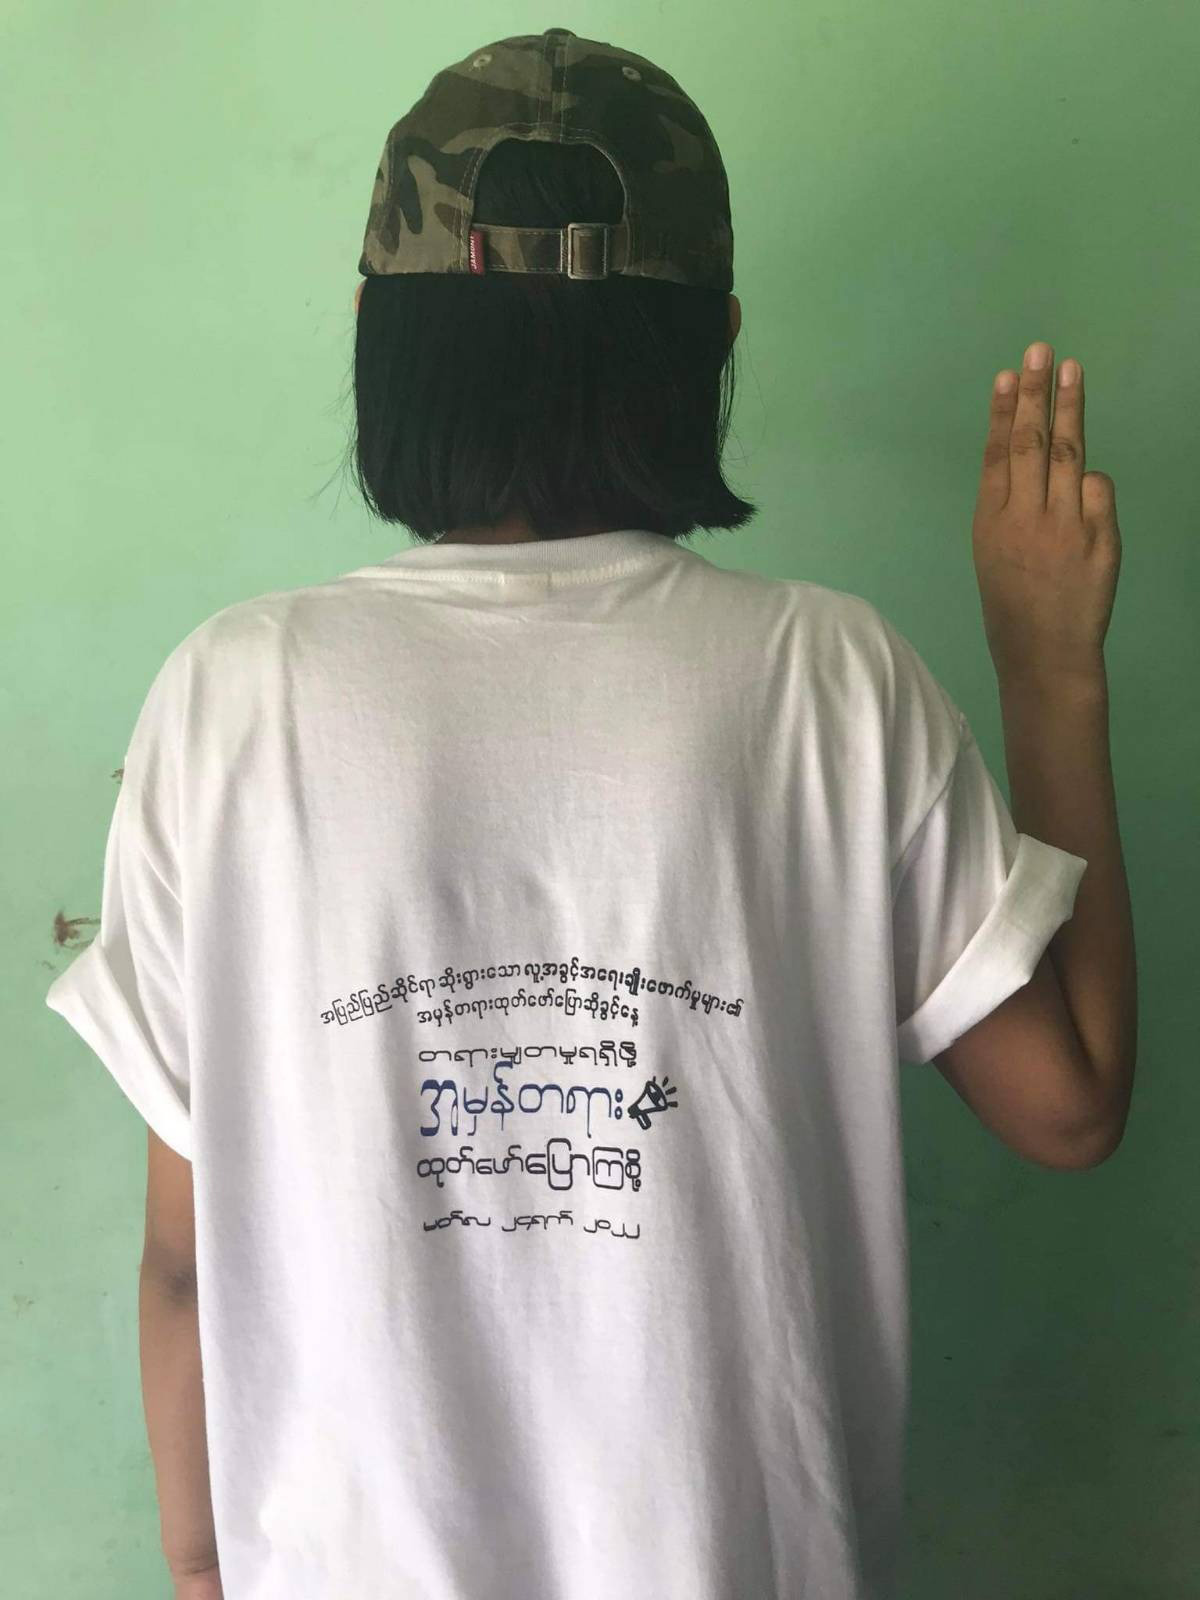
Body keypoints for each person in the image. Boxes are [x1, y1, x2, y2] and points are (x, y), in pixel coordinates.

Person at [45, 27, 1135, 1600]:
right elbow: (1071, 1103)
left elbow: (180, 1260)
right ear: (712, 342)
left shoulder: (233, 696)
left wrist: (202, 1568)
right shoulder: (829, 677)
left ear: (378, 335)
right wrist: (1048, 669)